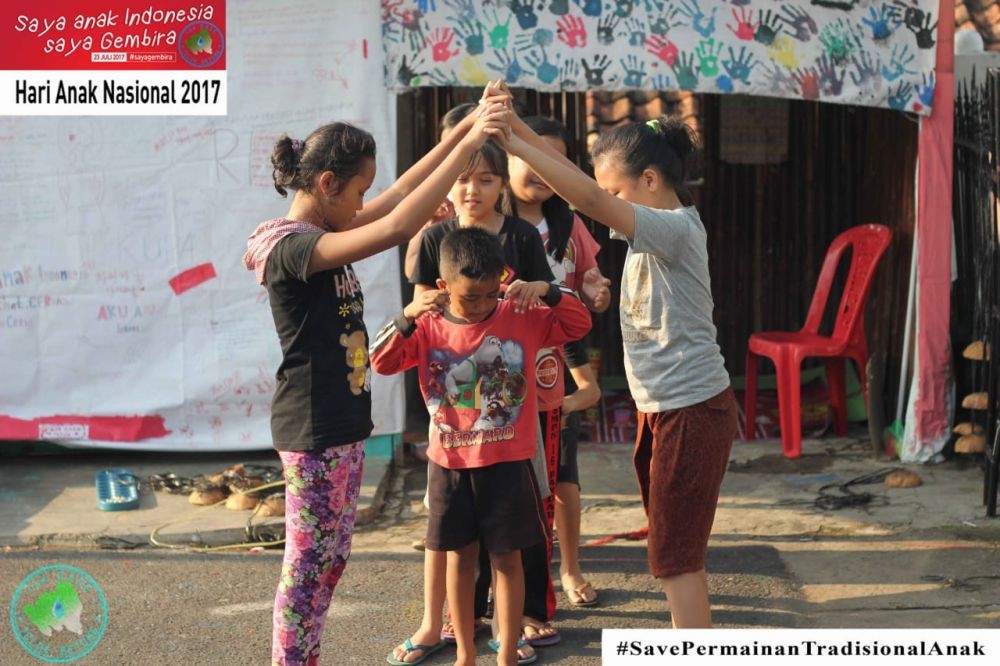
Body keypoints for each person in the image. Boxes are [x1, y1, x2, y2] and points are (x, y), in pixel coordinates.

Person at [243, 97, 511, 666]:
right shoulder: (291, 246)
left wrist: (462, 131)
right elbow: (396, 224)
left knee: (330, 561)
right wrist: (468, 145)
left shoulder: (324, 228)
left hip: (340, 424)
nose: (366, 200)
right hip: (312, 427)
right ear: (326, 183)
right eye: (359, 189)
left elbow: (392, 202)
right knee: (307, 569)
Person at [501, 108, 739, 629]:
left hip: (691, 410)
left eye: (619, 194)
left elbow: (587, 198)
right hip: (667, 410)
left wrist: (516, 142)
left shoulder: (675, 229)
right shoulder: (652, 232)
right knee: (673, 549)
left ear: (650, 180)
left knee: (676, 558)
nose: (610, 207)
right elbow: (591, 190)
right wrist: (515, 130)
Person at [371, 227, 592, 666]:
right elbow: (382, 360)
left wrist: (545, 289)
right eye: (469, 298)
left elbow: (579, 321)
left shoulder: (521, 314)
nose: (482, 307)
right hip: (449, 466)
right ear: (442, 287)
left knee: (507, 560)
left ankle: (506, 654)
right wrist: (408, 314)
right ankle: (465, 655)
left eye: (491, 294)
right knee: (459, 559)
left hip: (509, 464)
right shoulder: (428, 323)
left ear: (502, 283)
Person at [391, 137, 558, 665]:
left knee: (510, 547)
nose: (472, 189)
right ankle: (440, 629)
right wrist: (410, 313)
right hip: (451, 442)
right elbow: (411, 321)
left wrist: (545, 292)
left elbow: (558, 311)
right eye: (462, 178)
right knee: (450, 547)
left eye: (486, 179)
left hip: (509, 435)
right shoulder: (435, 234)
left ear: (502, 183)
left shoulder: (523, 236)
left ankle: (515, 633)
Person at [508, 115, 610, 613]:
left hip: (556, 347)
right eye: (527, 155)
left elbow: (591, 279)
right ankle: (504, 588)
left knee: (563, 480)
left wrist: (595, 288)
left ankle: (569, 569)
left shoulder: (571, 224)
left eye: (552, 160)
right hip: (503, 359)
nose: (539, 169)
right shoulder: (493, 220)